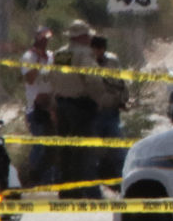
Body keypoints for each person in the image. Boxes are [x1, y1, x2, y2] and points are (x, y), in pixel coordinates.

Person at [47, 20, 107, 196]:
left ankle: (66, 191)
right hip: (81, 107)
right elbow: (93, 79)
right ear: (82, 37)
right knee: (83, 152)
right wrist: (98, 98)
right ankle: (86, 191)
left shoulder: (61, 54)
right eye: (87, 35)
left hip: (62, 106)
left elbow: (51, 77)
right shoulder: (83, 54)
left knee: (65, 151)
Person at [17, 26, 57, 186]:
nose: (45, 42)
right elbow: (30, 79)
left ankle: (49, 179)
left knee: (52, 146)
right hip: (36, 107)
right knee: (39, 145)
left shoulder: (51, 56)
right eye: (42, 39)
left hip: (51, 105)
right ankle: (32, 177)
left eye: (47, 39)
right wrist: (39, 61)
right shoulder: (28, 57)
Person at [90, 34, 132, 183]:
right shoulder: (86, 62)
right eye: (96, 48)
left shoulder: (112, 61)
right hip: (92, 114)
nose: (99, 51)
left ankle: (123, 182)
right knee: (91, 155)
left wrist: (124, 99)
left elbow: (121, 83)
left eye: (102, 48)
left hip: (111, 112)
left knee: (119, 152)